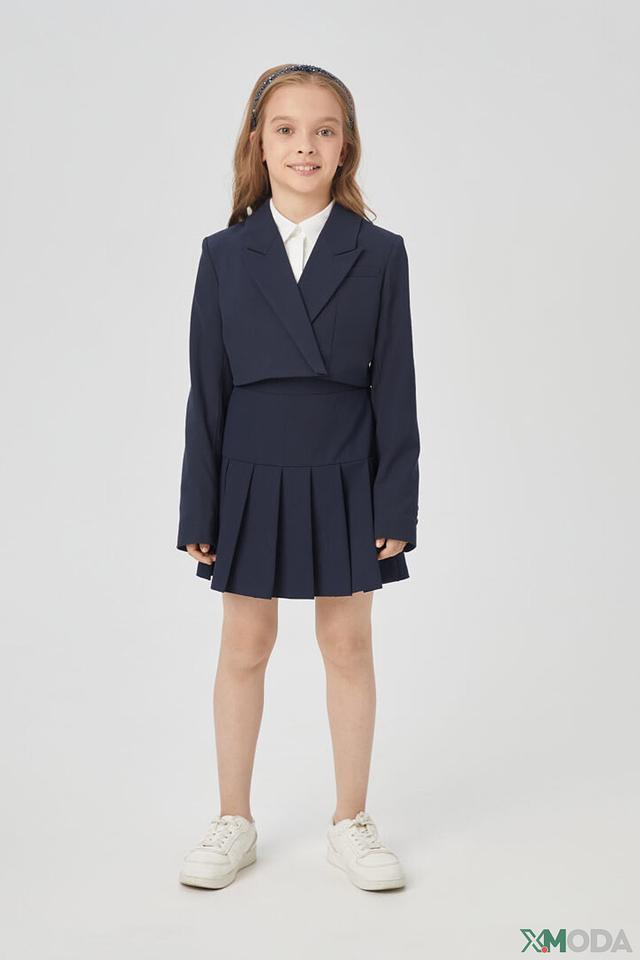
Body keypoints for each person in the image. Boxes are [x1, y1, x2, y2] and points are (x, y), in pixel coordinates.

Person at [176, 64, 420, 892]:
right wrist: (199, 505)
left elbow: (398, 385)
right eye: (286, 129)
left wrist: (396, 502)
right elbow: (206, 389)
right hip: (248, 472)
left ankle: (351, 821)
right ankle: (233, 819)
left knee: (347, 646)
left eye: (323, 130)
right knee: (245, 646)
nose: (305, 145)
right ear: (258, 142)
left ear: (345, 145)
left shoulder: (380, 253)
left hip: (346, 468)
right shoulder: (224, 254)